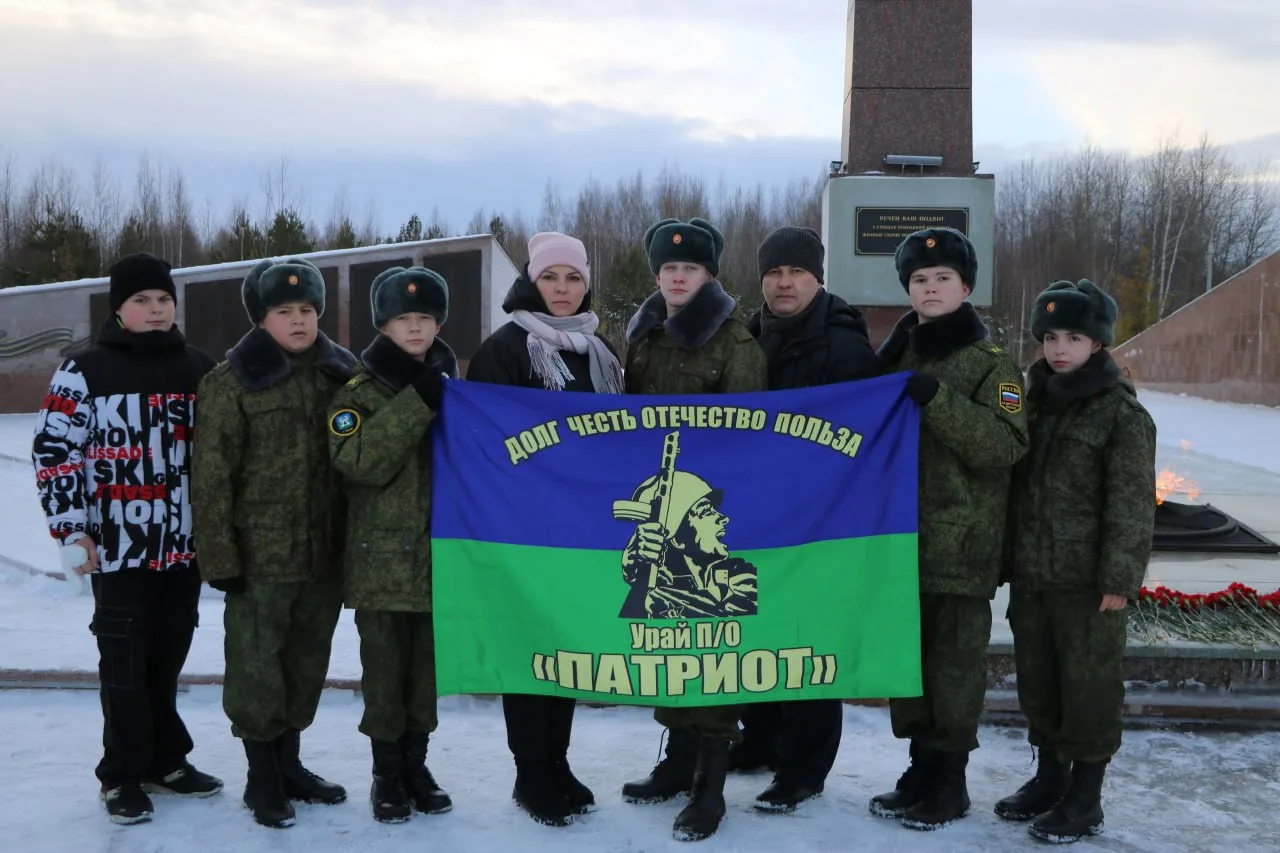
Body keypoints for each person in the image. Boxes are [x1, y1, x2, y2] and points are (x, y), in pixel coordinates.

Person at [31, 252, 221, 825]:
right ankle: (121, 774)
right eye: (142, 300)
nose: (156, 309)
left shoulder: (200, 367)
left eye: (164, 300)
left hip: (182, 547)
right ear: (119, 308)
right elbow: (54, 452)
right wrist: (71, 528)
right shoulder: (84, 369)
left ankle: (166, 761)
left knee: (167, 660)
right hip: (116, 549)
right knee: (124, 665)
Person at [869, 227, 1029, 831]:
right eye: (919, 279)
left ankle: (950, 780)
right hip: (899, 542)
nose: (930, 288)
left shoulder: (992, 365)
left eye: (943, 279)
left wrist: (938, 400)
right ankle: (920, 768)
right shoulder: (896, 356)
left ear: (966, 288)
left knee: (953, 669)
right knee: (908, 666)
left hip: (960, 546)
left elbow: (1004, 446)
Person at [467, 232, 624, 827]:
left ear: (587, 285)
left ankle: (557, 762)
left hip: (583, 531)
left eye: (573, 278)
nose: (562, 288)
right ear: (532, 283)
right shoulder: (506, 349)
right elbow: (483, 440)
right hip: (524, 530)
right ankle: (530, 771)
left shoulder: (600, 351)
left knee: (568, 649)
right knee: (531, 650)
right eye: (550, 277)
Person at [618, 216, 767, 842]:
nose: (678, 277)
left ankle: (710, 788)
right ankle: (677, 764)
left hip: (708, 513)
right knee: (668, 647)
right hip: (661, 506)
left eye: (691, 269)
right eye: (669, 268)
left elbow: (749, 434)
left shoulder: (735, 342)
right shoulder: (643, 334)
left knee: (712, 653)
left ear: (709, 275)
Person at [192, 257, 355, 829]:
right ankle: (261, 776)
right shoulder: (230, 382)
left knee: (307, 662)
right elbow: (211, 477)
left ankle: (290, 765)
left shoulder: (342, 375)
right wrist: (219, 557)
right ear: (262, 319)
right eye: (285, 311)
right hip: (260, 558)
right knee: (257, 667)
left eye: (307, 309)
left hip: (324, 553)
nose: (299, 320)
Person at [996, 280, 1155, 844]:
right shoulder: (1031, 403)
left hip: (1087, 583)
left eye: (1073, 337)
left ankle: (1085, 798)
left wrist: (1119, 578)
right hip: (1034, 575)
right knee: (1039, 683)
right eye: (1050, 337)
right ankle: (1049, 779)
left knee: (1088, 689)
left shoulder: (1120, 414)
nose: (1059, 348)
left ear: (1098, 343)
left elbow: (1132, 505)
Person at [734, 225, 879, 811]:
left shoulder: (844, 347)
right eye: (773, 273)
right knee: (756, 632)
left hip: (820, 524)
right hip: (756, 518)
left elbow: (860, 441)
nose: (784, 283)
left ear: (818, 278)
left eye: (796, 272)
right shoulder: (748, 339)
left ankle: (803, 769)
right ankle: (760, 740)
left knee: (807, 643)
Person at [329, 266, 459, 823]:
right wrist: (416, 404)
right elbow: (357, 462)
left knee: (426, 674)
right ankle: (386, 773)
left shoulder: (456, 392)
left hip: (440, 558)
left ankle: (416, 765)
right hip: (381, 562)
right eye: (403, 319)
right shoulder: (357, 394)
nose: (415, 328)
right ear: (383, 326)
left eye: (425, 318)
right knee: (384, 675)